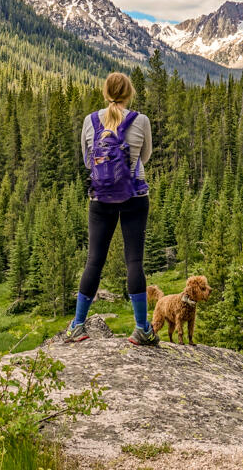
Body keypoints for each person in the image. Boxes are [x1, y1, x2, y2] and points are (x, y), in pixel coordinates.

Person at [65, 71, 159, 345]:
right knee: (134, 262)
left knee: (94, 260)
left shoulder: (90, 121)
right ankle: (141, 328)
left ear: (106, 93)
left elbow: (87, 162)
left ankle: (77, 325)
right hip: (134, 196)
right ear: (129, 94)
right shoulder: (141, 121)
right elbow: (145, 157)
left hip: (100, 200)